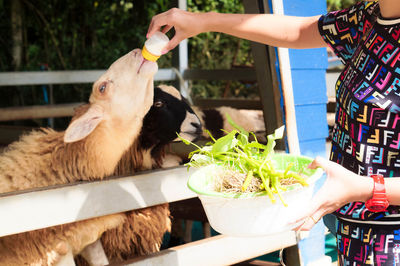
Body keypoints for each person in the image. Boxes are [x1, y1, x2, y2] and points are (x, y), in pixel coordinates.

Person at [148, 0, 400, 264]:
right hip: (356, 235)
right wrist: (204, 21)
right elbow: (300, 29)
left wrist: (367, 188)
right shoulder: (367, 18)